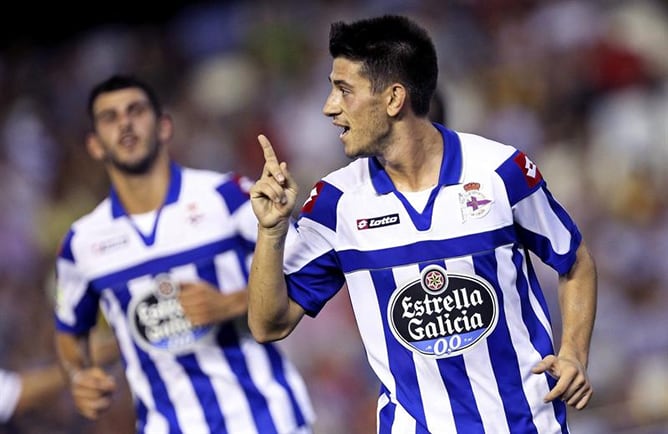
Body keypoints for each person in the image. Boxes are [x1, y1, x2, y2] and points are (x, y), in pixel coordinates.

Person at [247, 14, 597, 434]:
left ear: (394, 99)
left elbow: (574, 262)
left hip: (525, 424)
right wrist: (271, 232)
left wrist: (574, 351)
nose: (329, 106)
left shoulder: (501, 172)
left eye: (344, 90)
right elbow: (269, 324)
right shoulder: (336, 203)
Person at [54, 74, 314, 434]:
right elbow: (69, 329)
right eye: (110, 117)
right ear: (95, 144)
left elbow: (309, 264)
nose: (125, 123)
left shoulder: (225, 195)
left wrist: (235, 303)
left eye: (136, 110)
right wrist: (78, 374)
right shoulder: (80, 244)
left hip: (268, 419)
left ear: (164, 126)